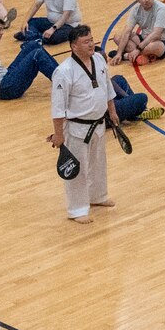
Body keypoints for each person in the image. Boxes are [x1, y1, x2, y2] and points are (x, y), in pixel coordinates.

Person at [49, 27, 119, 225]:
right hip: (77, 128)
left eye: (92, 39)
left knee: (98, 162)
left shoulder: (98, 59)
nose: (91, 44)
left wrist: (112, 111)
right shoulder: (64, 71)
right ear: (73, 46)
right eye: (86, 42)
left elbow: (107, 87)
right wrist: (58, 134)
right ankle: (77, 209)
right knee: (77, 169)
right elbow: (57, 107)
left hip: (98, 123)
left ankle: (98, 196)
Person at [106, 0, 165, 67]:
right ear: (138, 0)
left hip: (163, 41)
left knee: (150, 47)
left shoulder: (161, 8)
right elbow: (127, 31)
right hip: (145, 39)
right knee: (117, 38)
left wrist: (138, 49)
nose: (147, 0)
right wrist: (119, 53)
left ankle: (127, 56)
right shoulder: (135, 10)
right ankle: (146, 56)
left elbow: (156, 34)